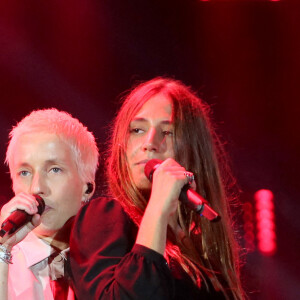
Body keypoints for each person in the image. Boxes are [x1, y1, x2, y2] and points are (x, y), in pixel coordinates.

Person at [70, 77, 245, 299]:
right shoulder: (104, 218)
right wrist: (158, 209)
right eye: (137, 130)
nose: (150, 142)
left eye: (167, 132)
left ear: (192, 150)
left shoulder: (204, 250)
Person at [0, 108, 99, 300]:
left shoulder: (110, 259)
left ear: (87, 187)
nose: (37, 188)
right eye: (24, 173)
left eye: (54, 170)